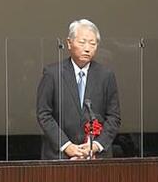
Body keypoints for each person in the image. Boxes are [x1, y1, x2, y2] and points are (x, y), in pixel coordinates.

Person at [36, 19, 121, 160]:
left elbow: (114, 117)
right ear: (69, 43)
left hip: (95, 156)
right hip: (60, 155)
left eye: (92, 43)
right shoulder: (52, 74)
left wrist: (96, 145)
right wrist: (67, 146)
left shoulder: (106, 76)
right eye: (82, 42)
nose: (87, 48)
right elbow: (44, 114)